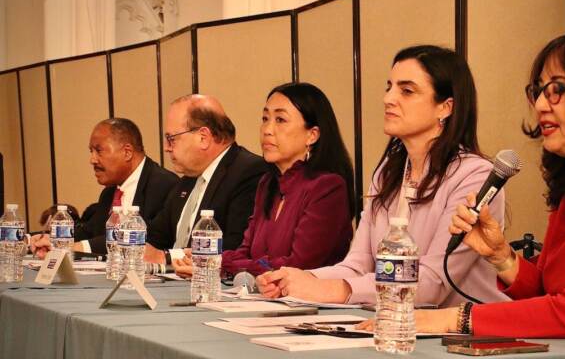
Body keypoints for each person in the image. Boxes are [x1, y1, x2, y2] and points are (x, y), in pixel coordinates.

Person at [362, 29, 565, 343]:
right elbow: (548, 293)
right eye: (538, 91)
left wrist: (448, 318)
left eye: (557, 90)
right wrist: (501, 257)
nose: (539, 105)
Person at [257, 45, 509, 306]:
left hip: (461, 335)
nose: (388, 98)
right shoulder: (388, 172)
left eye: (406, 91)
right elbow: (357, 265)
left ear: (445, 107)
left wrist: (335, 290)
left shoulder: (474, 176)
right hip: (393, 324)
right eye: (389, 87)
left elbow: (432, 284)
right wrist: (297, 279)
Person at [173, 82, 354, 277]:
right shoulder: (268, 183)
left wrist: (220, 265)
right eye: (265, 118)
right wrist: (210, 259)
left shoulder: (328, 187)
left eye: (280, 120)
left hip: (309, 303)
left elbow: (297, 265)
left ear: (312, 135)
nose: (267, 129)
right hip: (264, 297)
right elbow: (245, 251)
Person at [144, 94, 267, 265]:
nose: (166, 148)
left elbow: (236, 248)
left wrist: (167, 257)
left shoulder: (249, 172)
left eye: (171, 139)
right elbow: (155, 237)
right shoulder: (188, 179)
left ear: (203, 138)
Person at [30, 118, 177, 257]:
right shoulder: (109, 192)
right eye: (91, 152)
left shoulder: (163, 185)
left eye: (98, 151)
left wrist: (72, 247)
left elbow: (145, 239)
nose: (92, 160)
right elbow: (89, 233)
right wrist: (43, 239)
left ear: (127, 152)